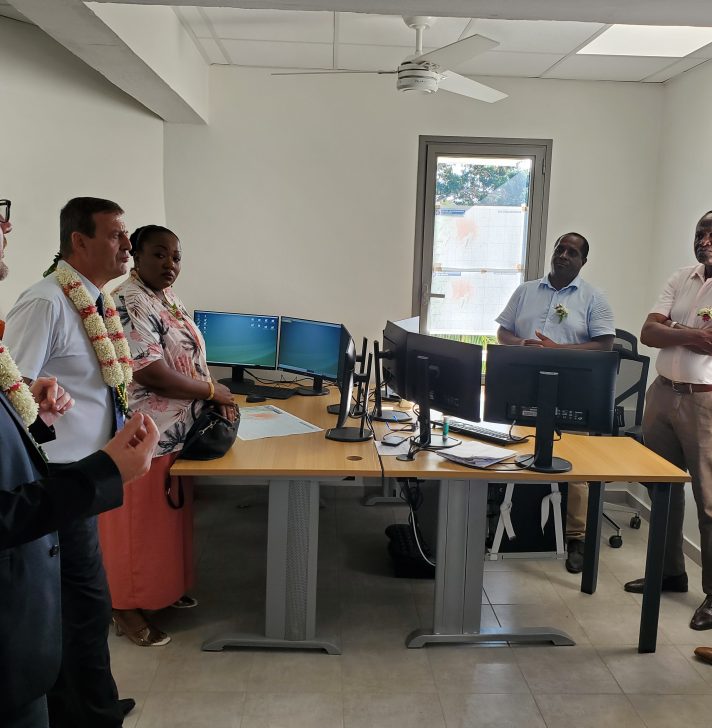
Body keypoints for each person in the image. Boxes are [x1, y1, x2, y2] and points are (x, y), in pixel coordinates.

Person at [0, 199, 160, 728]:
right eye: (116, 235)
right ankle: (89, 713)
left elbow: (27, 390)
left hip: (83, 481)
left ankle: (96, 704)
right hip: (54, 484)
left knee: (85, 607)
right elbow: (12, 389)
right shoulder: (45, 302)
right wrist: (36, 396)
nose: (128, 245)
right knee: (79, 608)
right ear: (79, 241)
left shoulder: (98, 301)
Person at [99, 225, 236, 646]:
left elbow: (186, 358)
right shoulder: (129, 300)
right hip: (147, 435)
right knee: (136, 529)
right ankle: (124, 609)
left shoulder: (165, 296)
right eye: (159, 254)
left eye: (176, 257)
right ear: (136, 255)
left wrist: (212, 395)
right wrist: (212, 391)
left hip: (179, 432)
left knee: (166, 525)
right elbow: (151, 373)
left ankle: (161, 591)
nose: (169, 264)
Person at [495, 232, 615, 573]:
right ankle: (516, 524)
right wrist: (520, 344)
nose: (563, 255)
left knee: (575, 465)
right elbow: (503, 332)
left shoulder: (594, 297)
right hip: (525, 387)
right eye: (560, 249)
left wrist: (557, 351)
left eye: (572, 252)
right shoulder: (525, 291)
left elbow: (605, 345)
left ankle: (576, 536)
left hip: (574, 391)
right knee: (519, 453)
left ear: (583, 261)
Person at [623, 211, 712, 631]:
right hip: (662, 394)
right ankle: (669, 572)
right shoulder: (681, 278)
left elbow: (669, 332)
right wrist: (693, 335)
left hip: (704, 402)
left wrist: (671, 327)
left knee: (709, 501)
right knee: (661, 487)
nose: (705, 240)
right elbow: (648, 333)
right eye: (700, 233)